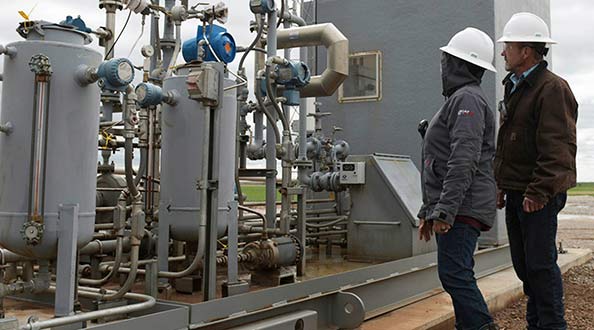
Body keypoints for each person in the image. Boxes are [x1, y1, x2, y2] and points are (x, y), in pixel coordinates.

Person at [495, 12, 578, 330]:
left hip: (536, 195)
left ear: (526, 50)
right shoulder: (515, 87)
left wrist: (539, 191)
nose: (503, 52)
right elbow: (509, 143)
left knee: (541, 267)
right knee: (525, 267)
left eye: (508, 46)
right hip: (518, 190)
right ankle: (536, 324)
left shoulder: (551, 88)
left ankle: (552, 325)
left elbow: (557, 149)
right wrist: (502, 183)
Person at [417, 27, 499, 330]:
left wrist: (446, 210)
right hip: (458, 206)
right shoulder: (462, 98)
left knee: (455, 274)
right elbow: (439, 162)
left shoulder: (468, 100)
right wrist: (430, 210)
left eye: (447, 59)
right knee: (457, 273)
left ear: (459, 64)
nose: (443, 64)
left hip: (463, 207)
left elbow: (463, 159)